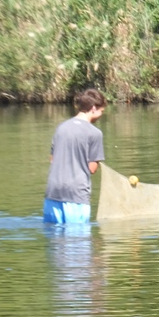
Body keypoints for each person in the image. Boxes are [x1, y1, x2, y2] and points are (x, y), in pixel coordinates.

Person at [43, 88, 107, 224]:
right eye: (101, 111)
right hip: (76, 195)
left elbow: (52, 159)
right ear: (94, 108)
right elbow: (92, 169)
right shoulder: (95, 133)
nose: (101, 115)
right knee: (78, 241)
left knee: (56, 241)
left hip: (52, 192)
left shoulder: (61, 128)